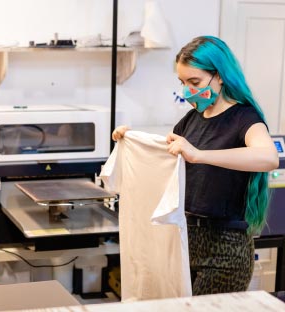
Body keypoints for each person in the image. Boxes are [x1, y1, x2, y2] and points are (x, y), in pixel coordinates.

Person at [112, 36, 279, 295]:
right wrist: (132, 139)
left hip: (225, 251)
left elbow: (268, 158)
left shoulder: (244, 117)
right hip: (184, 244)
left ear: (220, 76)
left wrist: (200, 155)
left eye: (195, 82)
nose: (188, 90)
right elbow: (166, 158)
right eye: (183, 83)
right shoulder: (192, 119)